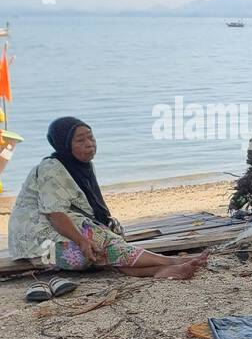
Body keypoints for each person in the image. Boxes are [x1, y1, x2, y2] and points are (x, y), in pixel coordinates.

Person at [7, 117, 208, 293]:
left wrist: (100, 232)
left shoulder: (82, 166)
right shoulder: (51, 168)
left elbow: (90, 209)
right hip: (37, 243)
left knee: (105, 244)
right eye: (80, 140)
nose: (89, 144)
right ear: (64, 144)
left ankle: (159, 269)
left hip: (62, 227)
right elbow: (55, 214)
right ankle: (172, 261)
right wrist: (83, 240)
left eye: (91, 138)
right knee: (97, 248)